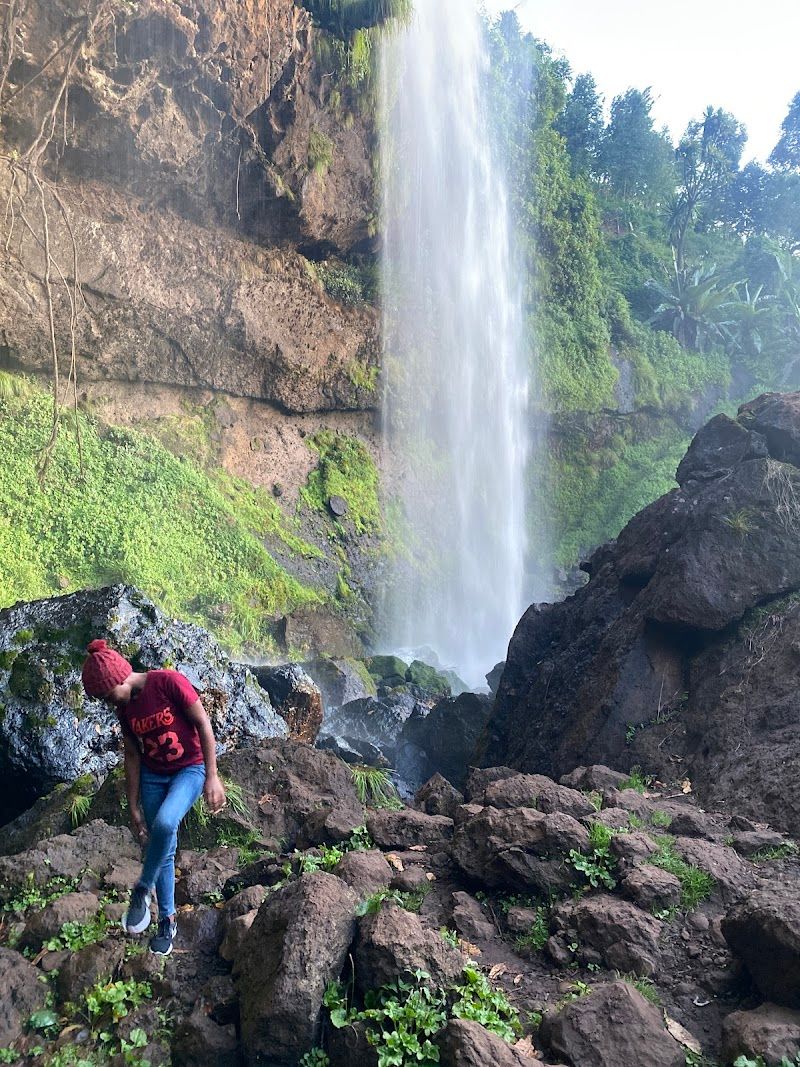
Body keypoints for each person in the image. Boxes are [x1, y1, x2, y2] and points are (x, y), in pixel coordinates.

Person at [81, 638, 226, 956]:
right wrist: (132, 805)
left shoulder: (167, 682)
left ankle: (142, 889)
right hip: (153, 775)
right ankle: (167, 921)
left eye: (107, 696)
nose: (109, 703)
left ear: (120, 679)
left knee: (164, 822)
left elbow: (203, 724)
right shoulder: (125, 709)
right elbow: (132, 755)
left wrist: (212, 776)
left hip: (190, 769)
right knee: (163, 847)